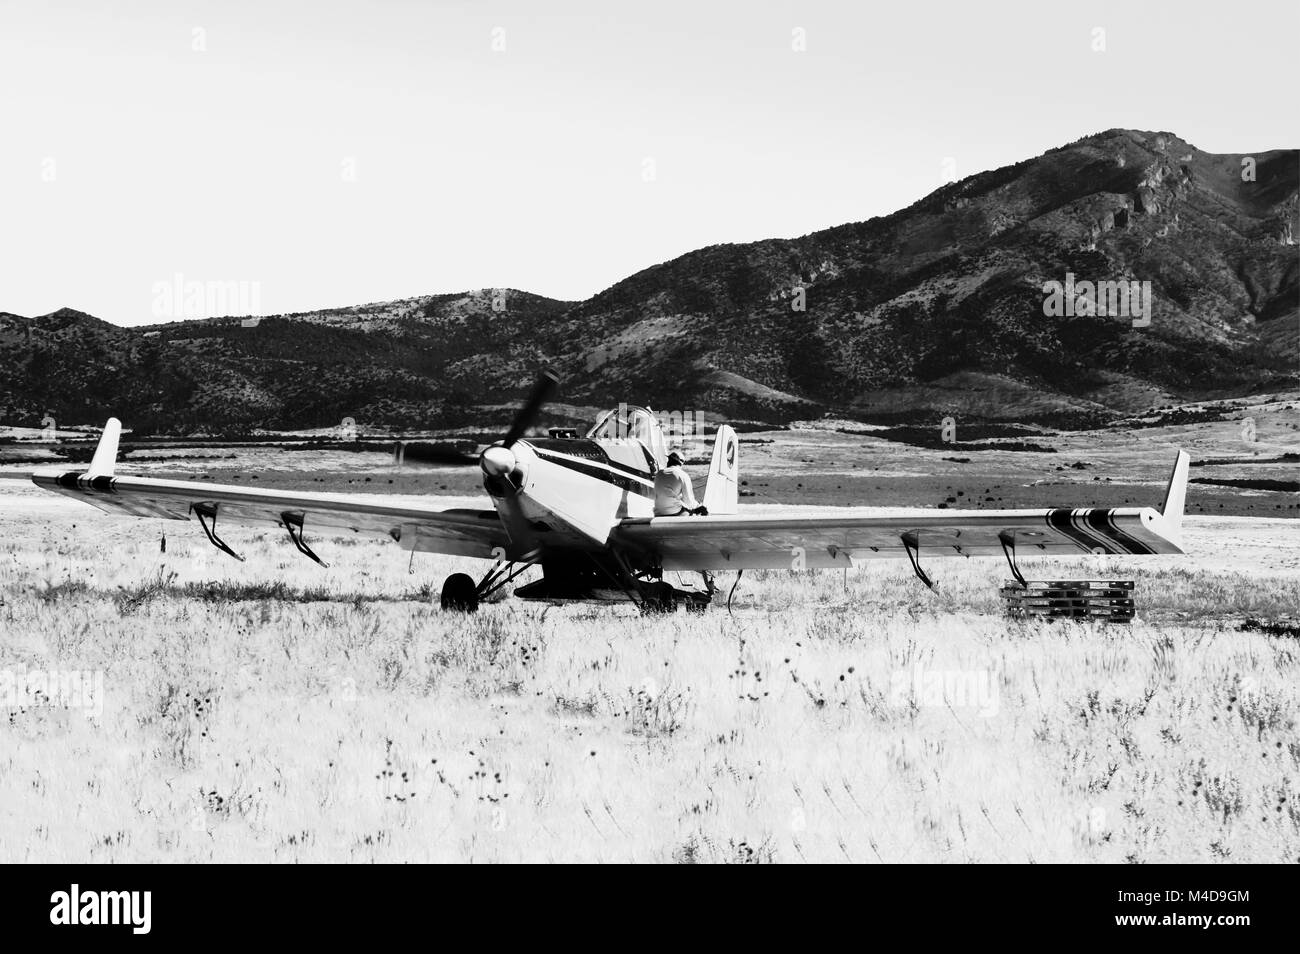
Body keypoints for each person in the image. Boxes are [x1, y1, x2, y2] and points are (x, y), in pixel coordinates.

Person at [654, 451, 708, 517]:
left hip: (658, 512)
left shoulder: (659, 474)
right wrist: (700, 507)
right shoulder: (683, 475)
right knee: (697, 511)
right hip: (674, 512)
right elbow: (689, 501)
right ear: (681, 463)